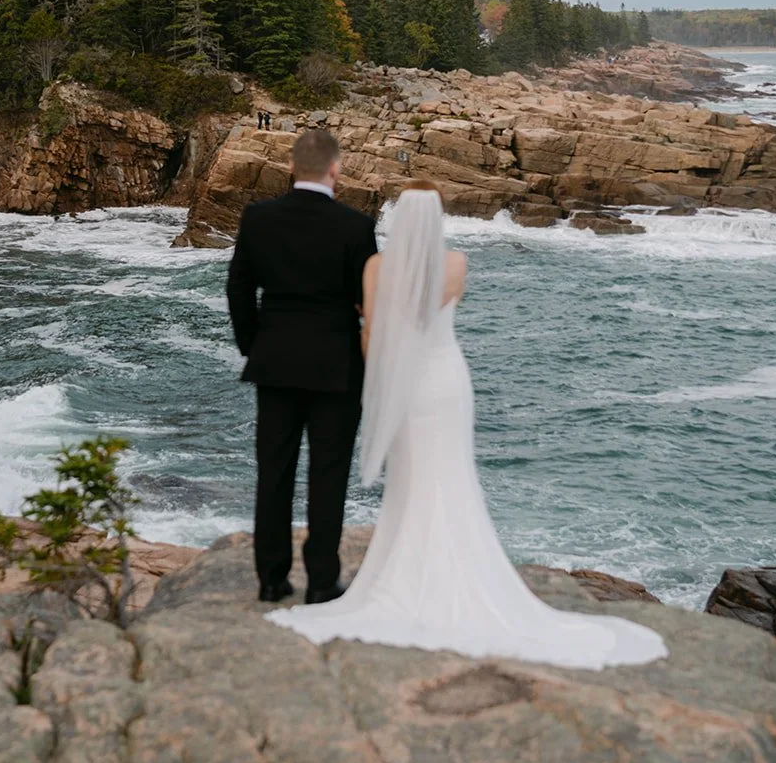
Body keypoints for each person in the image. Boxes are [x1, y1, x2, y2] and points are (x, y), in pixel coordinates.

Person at [269, 180, 668, 669]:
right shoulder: (456, 263)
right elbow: (428, 315)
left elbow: (373, 334)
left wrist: (378, 383)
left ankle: (408, 577)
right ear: (436, 218)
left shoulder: (376, 268)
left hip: (408, 386)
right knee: (451, 475)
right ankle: (459, 572)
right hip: (448, 380)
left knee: (410, 480)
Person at [226, 128, 378, 604]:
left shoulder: (258, 218)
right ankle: (320, 581)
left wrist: (255, 346)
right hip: (337, 365)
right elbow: (366, 300)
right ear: (335, 169)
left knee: (274, 473)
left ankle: (271, 580)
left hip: (275, 361)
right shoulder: (356, 227)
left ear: (291, 167)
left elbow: (238, 290)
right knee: (327, 474)